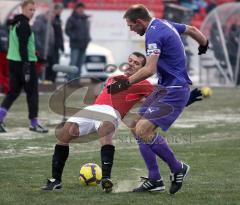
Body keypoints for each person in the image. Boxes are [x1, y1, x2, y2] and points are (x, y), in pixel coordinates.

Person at [42, 51, 202, 192]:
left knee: (110, 130)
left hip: (111, 113)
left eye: (136, 63)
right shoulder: (113, 78)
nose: (131, 64)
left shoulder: (143, 83)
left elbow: (164, 99)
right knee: (65, 133)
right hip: (94, 109)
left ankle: (106, 179)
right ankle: (56, 180)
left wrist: (187, 99)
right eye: (130, 61)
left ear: (143, 70)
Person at [107, 4, 208, 194]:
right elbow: (192, 30)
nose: (131, 30)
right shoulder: (163, 24)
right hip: (164, 87)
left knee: (144, 130)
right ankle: (155, 179)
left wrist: (123, 84)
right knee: (136, 126)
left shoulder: (153, 34)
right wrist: (204, 43)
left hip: (175, 88)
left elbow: (149, 69)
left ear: (139, 21)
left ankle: (178, 168)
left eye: (131, 26)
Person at [0, 0, 48, 133]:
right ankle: (34, 123)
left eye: (34, 10)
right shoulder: (25, 25)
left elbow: (23, 46)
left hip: (13, 63)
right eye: (30, 9)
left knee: (13, 92)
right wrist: (27, 64)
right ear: (22, 9)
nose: (32, 12)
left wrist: (39, 59)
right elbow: (22, 47)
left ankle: (0, 118)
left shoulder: (15, 22)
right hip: (24, 64)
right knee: (32, 94)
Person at [65, 2, 91, 84]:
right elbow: (67, 30)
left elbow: (86, 31)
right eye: (79, 8)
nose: (81, 10)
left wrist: (88, 38)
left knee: (79, 64)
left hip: (83, 45)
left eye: (82, 8)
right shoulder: (71, 18)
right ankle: (70, 80)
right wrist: (75, 37)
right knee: (73, 63)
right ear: (76, 9)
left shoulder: (85, 18)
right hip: (75, 45)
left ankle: (76, 81)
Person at [32, 10, 55, 83]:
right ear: (46, 15)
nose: (52, 18)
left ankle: (42, 80)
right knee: (38, 66)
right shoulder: (39, 22)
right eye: (51, 17)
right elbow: (35, 35)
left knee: (44, 66)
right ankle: (37, 81)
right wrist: (39, 47)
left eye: (53, 17)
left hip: (47, 50)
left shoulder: (49, 24)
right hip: (40, 50)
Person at [52, 3, 65, 82]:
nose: (60, 11)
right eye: (59, 9)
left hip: (57, 45)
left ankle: (53, 80)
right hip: (52, 45)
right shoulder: (52, 19)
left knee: (56, 63)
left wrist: (61, 45)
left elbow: (60, 34)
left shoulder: (59, 20)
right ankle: (50, 80)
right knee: (52, 63)